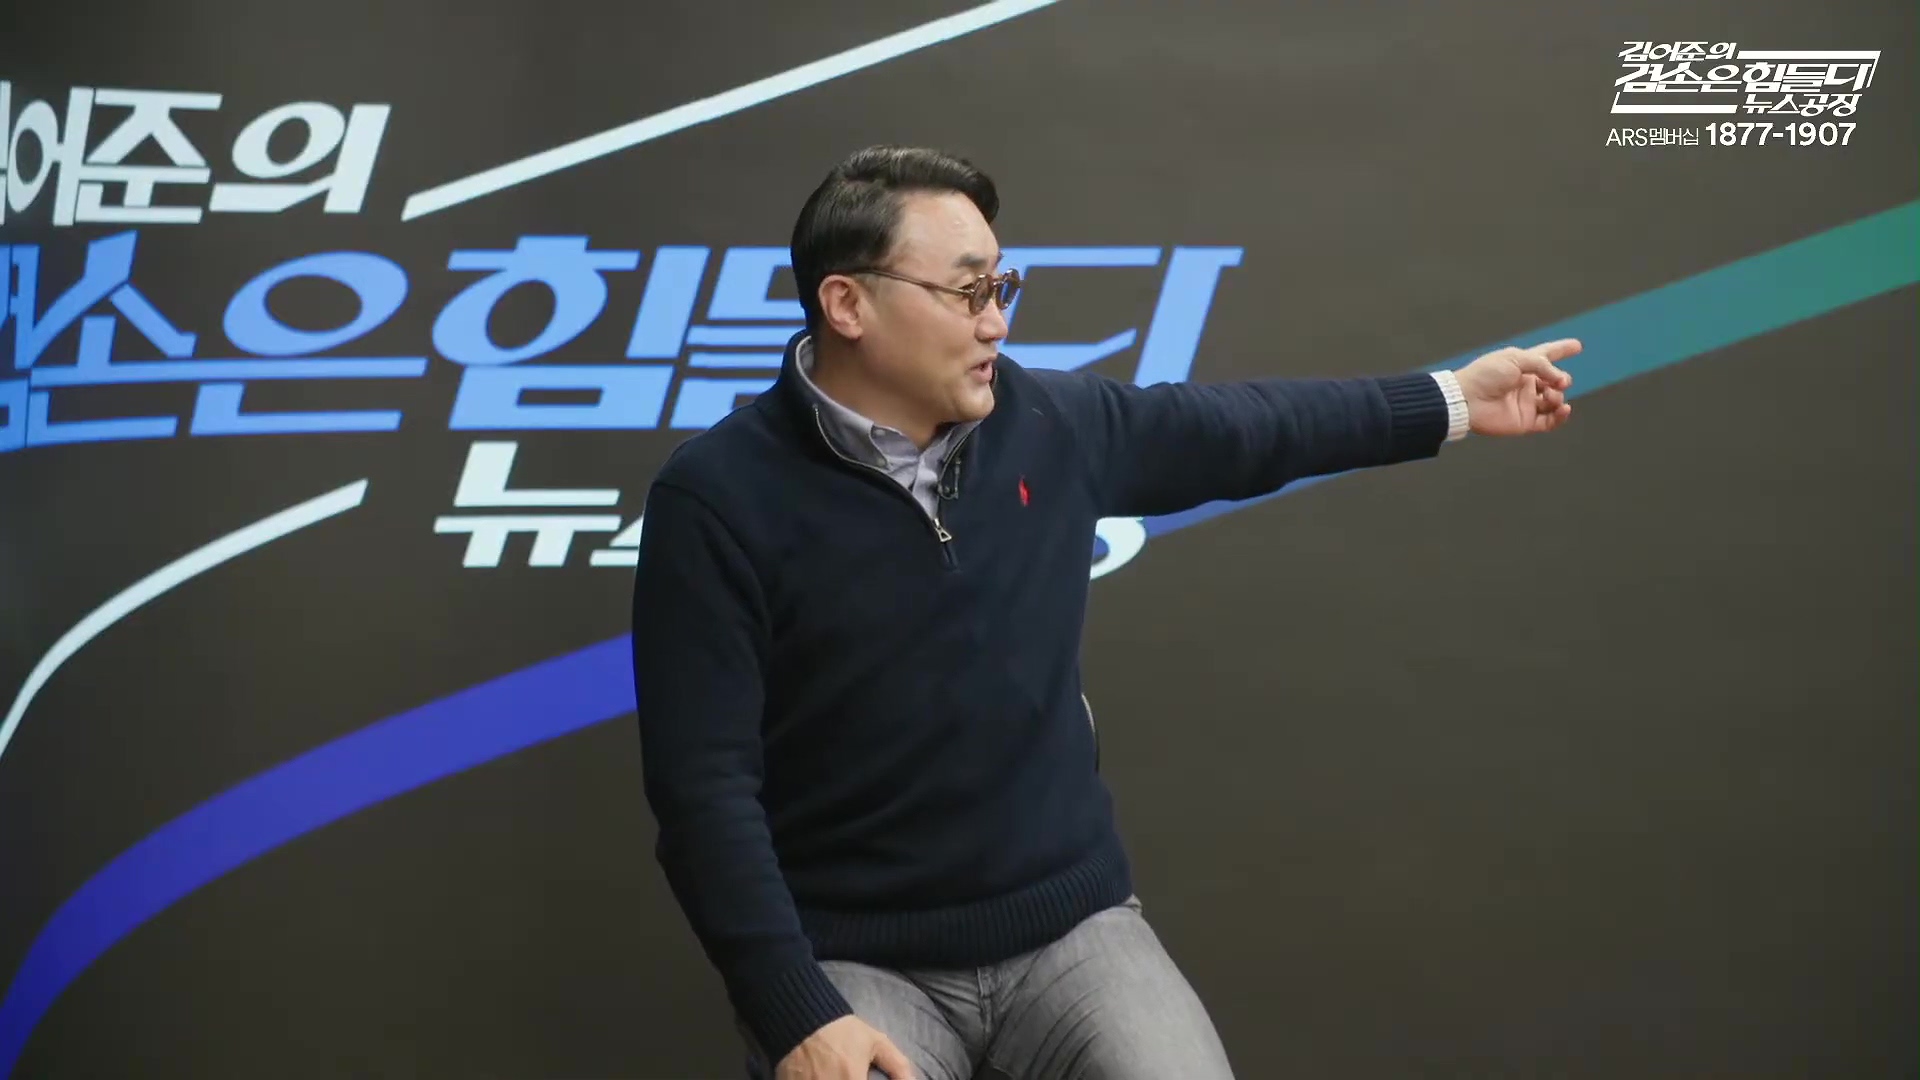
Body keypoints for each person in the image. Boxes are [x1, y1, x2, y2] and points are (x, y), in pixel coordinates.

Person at [630, 145, 1577, 1080]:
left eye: (1002, 286)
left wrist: (1455, 400)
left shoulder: (1051, 424)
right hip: (853, 959)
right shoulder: (717, 499)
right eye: (967, 291)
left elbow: (1253, 429)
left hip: (1069, 932)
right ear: (847, 305)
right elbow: (703, 794)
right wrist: (796, 1012)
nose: (996, 321)